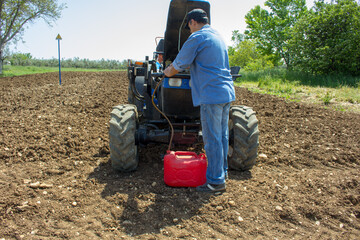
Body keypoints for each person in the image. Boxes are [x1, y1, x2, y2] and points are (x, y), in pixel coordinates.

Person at [164, 8, 235, 193]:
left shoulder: (197, 37)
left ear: (192, 22)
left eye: (189, 26)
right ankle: (222, 172)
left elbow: (178, 65)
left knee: (211, 139)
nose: (190, 30)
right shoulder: (218, 36)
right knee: (222, 136)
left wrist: (166, 71)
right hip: (226, 93)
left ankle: (215, 182)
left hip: (211, 94)